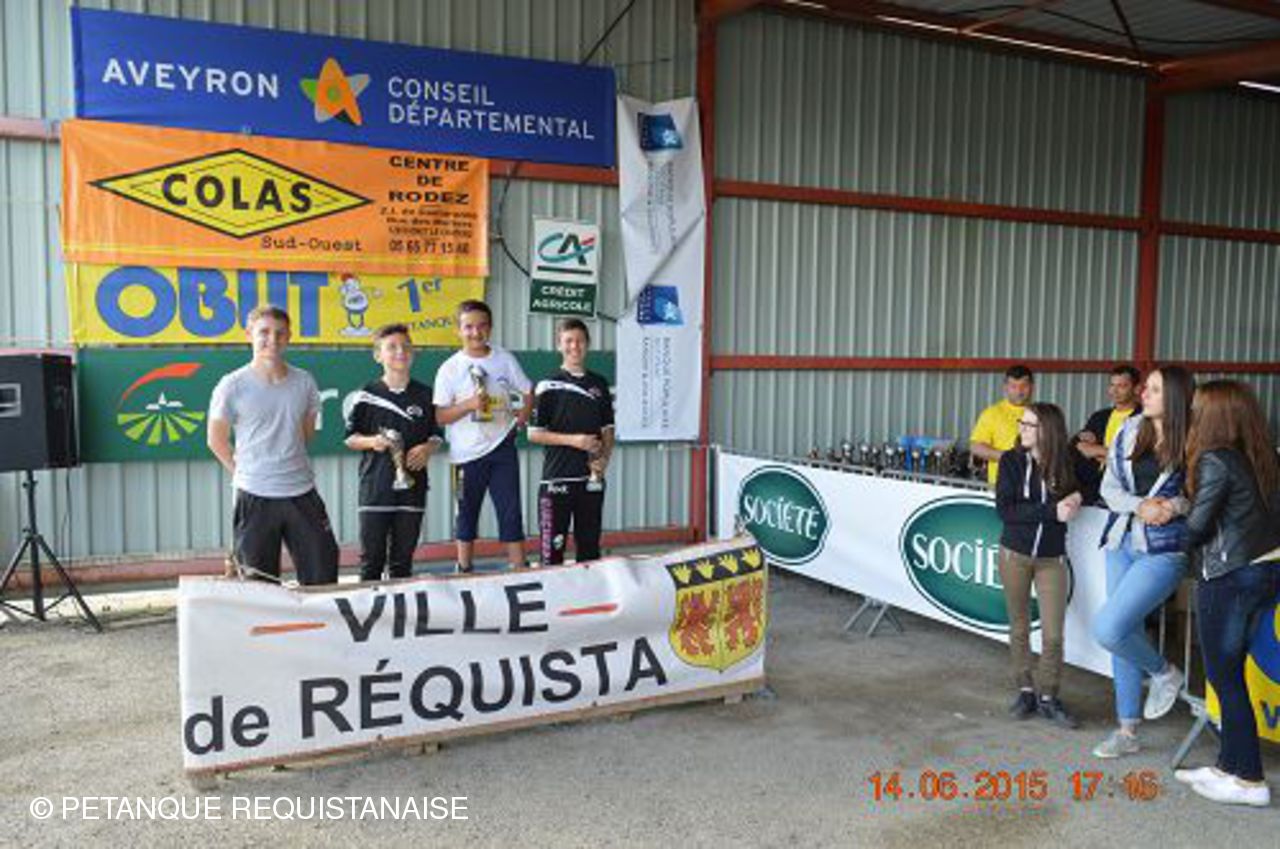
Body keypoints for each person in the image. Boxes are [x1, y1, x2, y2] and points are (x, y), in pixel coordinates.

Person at [1172, 380, 1280, 807]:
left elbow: (1198, 527)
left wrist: (1166, 522)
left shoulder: (1216, 458)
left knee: (1225, 677)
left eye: (1198, 409)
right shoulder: (1264, 456)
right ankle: (1228, 766)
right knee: (1231, 674)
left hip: (1229, 575)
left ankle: (1250, 779)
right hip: (1264, 571)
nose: (1192, 415)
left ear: (1214, 416)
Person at [1090, 365, 1195, 759]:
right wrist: (1140, 506)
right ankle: (1127, 729)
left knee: (1109, 627)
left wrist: (1173, 506)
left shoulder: (1195, 438)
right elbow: (1109, 488)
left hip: (1164, 548)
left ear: (1176, 397)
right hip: (1121, 540)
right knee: (1121, 631)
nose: (1143, 394)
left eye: (1153, 389)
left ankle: (1165, 673)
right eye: (1145, 388)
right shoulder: (1130, 429)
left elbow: (1202, 494)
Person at [206, 304, 339, 585]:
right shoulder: (231, 385)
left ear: (288, 337)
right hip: (254, 496)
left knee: (323, 573)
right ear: (249, 335)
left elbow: (305, 434)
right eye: (264, 332)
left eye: (280, 333)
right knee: (258, 584)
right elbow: (216, 440)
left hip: (302, 493)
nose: (272, 339)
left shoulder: (304, 382)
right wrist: (244, 472)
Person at [995, 403, 1083, 728]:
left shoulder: (1068, 460)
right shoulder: (1011, 460)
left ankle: (1049, 696)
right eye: (1023, 422)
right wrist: (1051, 512)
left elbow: (1091, 485)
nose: (1022, 428)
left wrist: (1077, 496)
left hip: (1052, 559)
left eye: (1030, 424)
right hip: (1013, 556)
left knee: (1053, 635)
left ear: (1048, 429)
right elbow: (1005, 510)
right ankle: (1025, 690)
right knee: (1019, 627)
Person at [433, 300, 533, 572]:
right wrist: (468, 405)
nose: (475, 332)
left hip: (502, 449)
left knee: (510, 510)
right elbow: (440, 416)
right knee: (465, 512)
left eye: (482, 326)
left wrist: (523, 416)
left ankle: (519, 567)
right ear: (458, 330)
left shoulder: (504, 359)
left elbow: (527, 389)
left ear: (490, 327)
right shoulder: (450, 368)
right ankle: (464, 568)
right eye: (468, 327)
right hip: (465, 456)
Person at [344, 324, 443, 582]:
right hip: (375, 488)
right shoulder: (366, 395)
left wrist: (428, 448)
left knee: (402, 563)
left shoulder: (426, 394)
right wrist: (373, 441)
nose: (400, 351)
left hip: (413, 488)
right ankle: (369, 607)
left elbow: (436, 435)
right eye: (392, 347)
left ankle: (400, 608)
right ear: (378, 355)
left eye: (406, 346)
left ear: (413, 352)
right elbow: (350, 438)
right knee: (371, 563)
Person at [528, 319, 616, 566]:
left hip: (591, 482)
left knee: (589, 551)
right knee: (551, 554)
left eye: (580, 341)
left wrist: (604, 460)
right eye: (568, 341)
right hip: (557, 481)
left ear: (587, 344)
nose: (574, 346)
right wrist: (575, 441)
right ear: (559, 345)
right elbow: (533, 434)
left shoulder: (599, 384)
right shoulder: (547, 385)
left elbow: (608, 430)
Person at [1073, 365, 1141, 502]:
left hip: (1126, 489)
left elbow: (1137, 457)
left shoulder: (1144, 419)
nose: (1114, 391)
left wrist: (1099, 451)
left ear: (1137, 389)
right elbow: (1079, 445)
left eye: (1122, 386)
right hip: (1092, 485)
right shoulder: (1100, 416)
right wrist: (1110, 455)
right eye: (1112, 385)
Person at [970, 364, 1035, 485]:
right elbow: (976, 447)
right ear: (1005, 387)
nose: (1019, 391)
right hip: (1000, 485)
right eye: (1013, 386)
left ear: (1032, 386)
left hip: (1034, 486)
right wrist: (1008, 458)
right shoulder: (991, 414)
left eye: (1024, 386)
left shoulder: (1042, 414)